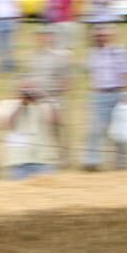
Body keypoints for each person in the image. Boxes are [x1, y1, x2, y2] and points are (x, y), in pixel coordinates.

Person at [84, 25, 127, 171]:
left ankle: (122, 163)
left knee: (121, 131)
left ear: (112, 36)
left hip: (118, 94)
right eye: (97, 36)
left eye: (103, 35)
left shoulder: (123, 52)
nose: (100, 38)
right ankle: (92, 162)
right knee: (95, 129)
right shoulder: (92, 54)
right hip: (99, 95)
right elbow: (92, 74)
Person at [0, 76, 60, 180]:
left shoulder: (45, 105)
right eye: (24, 89)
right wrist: (20, 103)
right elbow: (4, 123)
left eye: (32, 89)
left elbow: (56, 120)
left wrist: (43, 98)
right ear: (16, 90)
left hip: (45, 160)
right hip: (19, 161)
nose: (28, 93)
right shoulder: (6, 104)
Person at [30, 27, 73, 167]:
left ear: (53, 37)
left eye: (46, 35)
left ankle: (63, 158)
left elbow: (67, 79)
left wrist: (58, 100)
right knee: (41, 129)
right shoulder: (37, 56)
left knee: (58, 129)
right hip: (39, 98)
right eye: (41, 35)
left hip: (55, 98)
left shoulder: (61, 57)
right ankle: (46, 157)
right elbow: (34, 77)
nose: (43, 38)